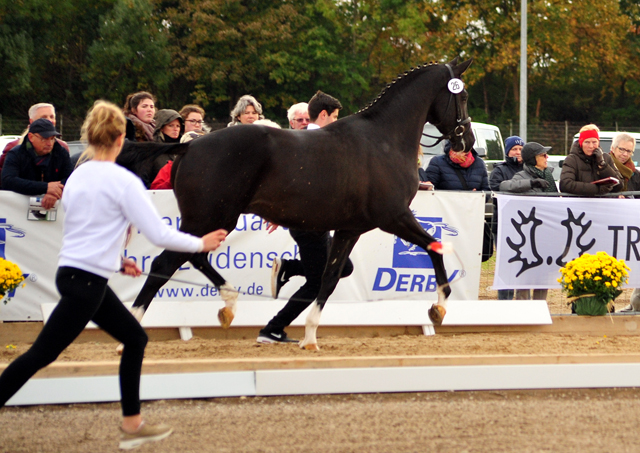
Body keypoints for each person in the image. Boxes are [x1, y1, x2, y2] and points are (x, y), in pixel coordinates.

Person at [0, 100, 228, 449]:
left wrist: (117, 260)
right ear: (122, 138)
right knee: (41, 354)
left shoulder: (78, 176)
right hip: (86, 282)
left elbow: (86, 228)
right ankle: (132, 425)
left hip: (76, 274)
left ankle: (133, 424)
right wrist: (202, 242)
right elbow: (160, 235)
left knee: (134, 339)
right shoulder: (124, 181)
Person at [258, 91, 352, 344]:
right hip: (309, 223)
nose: (335, 122)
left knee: (345, 267)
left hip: (312, 221)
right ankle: (272, 329)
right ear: (323, 115)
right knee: (317, 282)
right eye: (333, 117)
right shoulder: (317, 141)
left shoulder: (305, 139)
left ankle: (289, 268)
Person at [498, 142, 558, 301]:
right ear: (532, 159)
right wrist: (531, 183)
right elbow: (504, 185)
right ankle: (523, 309)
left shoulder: (549, 175)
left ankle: (540, 306)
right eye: (542, 155)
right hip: (528, 235)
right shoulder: (522, 175)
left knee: (542, 274)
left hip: (546, 234)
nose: (547, 157)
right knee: (525, 271)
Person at [1, 119, 72, 209]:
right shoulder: (16, 153)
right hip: (19, 211)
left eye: (52, 139)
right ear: (31, 137)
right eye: (44, 139)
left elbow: (70, 178)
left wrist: (55, 193)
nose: (49, 143)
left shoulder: (61, 153)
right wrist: (46, 188)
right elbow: (8, 181)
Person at [489, 136, 525, 300]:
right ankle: (505, 301)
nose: (517, 152)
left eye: (520, 149)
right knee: (506, 263)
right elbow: (495, 188)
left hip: (526, 223)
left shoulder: (530, 168)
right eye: (514, 149)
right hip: (504, 223)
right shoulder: (499, 170)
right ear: (507, 151)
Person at [0, 103, 69, 186]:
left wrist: (54, 191)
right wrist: (46, 188)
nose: (49, 121)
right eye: (43, 117)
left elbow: (69, 179)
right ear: (31, 122)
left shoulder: (62, 148)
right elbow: (6, 180)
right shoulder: (13, 148)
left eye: (52, 117)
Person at [559, 125, 622, 195]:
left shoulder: (606, 158)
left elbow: (619, 185)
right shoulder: (572, 159)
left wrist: (602, 164)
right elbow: (566, 184)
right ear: (581, 143)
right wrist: (597, 189)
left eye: (594, 142)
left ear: (598, 143)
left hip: (602, 203)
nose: (591, 146)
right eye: (587, 142)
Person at [423, 141, 490, 191]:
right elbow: (430, 189)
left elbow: (486, 191)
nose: (462, 151)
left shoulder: (479, 163)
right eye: (458, 146)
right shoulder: (437, 162)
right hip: (445, 208)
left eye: (465, 146)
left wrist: (476, 196)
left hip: (471, 208)